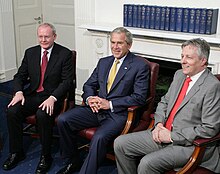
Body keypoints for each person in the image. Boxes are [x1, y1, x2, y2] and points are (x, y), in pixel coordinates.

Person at [114, 38, 220, 174]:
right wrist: (158, 124)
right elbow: (164, 102)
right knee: (120, 143)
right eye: (182, 56)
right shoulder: (179, 75)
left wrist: (171, 136)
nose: (183, 61)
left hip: (188, 145)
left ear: (203, 60)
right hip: (161, 132)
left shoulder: (212, 86)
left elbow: (210, 128)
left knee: (147, 163)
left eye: (188, 57)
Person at [56, 27, 150, 174]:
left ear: (129, 45)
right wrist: (89, 98)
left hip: (118, 114)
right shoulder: (104, 62)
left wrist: (110, 104)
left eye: (120, 43)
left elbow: (139, 97)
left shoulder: (139, 66)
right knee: (63, 120)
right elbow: (89, 85)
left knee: (99, 137)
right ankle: (73, 161)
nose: (115, 47)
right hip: (96, 109)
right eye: (113, 42)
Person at [2, 23, 74, 174]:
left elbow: (67, 82)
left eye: (46, 36)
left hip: (52, 97)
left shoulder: (65, 54)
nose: (43, 40)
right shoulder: (31, 53)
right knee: (12, 111)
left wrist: (53, 97)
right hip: (33, 94)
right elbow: (19, 76)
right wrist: (19, 92)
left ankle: (45, 156)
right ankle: (16, 152)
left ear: (54, 36)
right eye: (40, 36)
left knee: (42, 115)